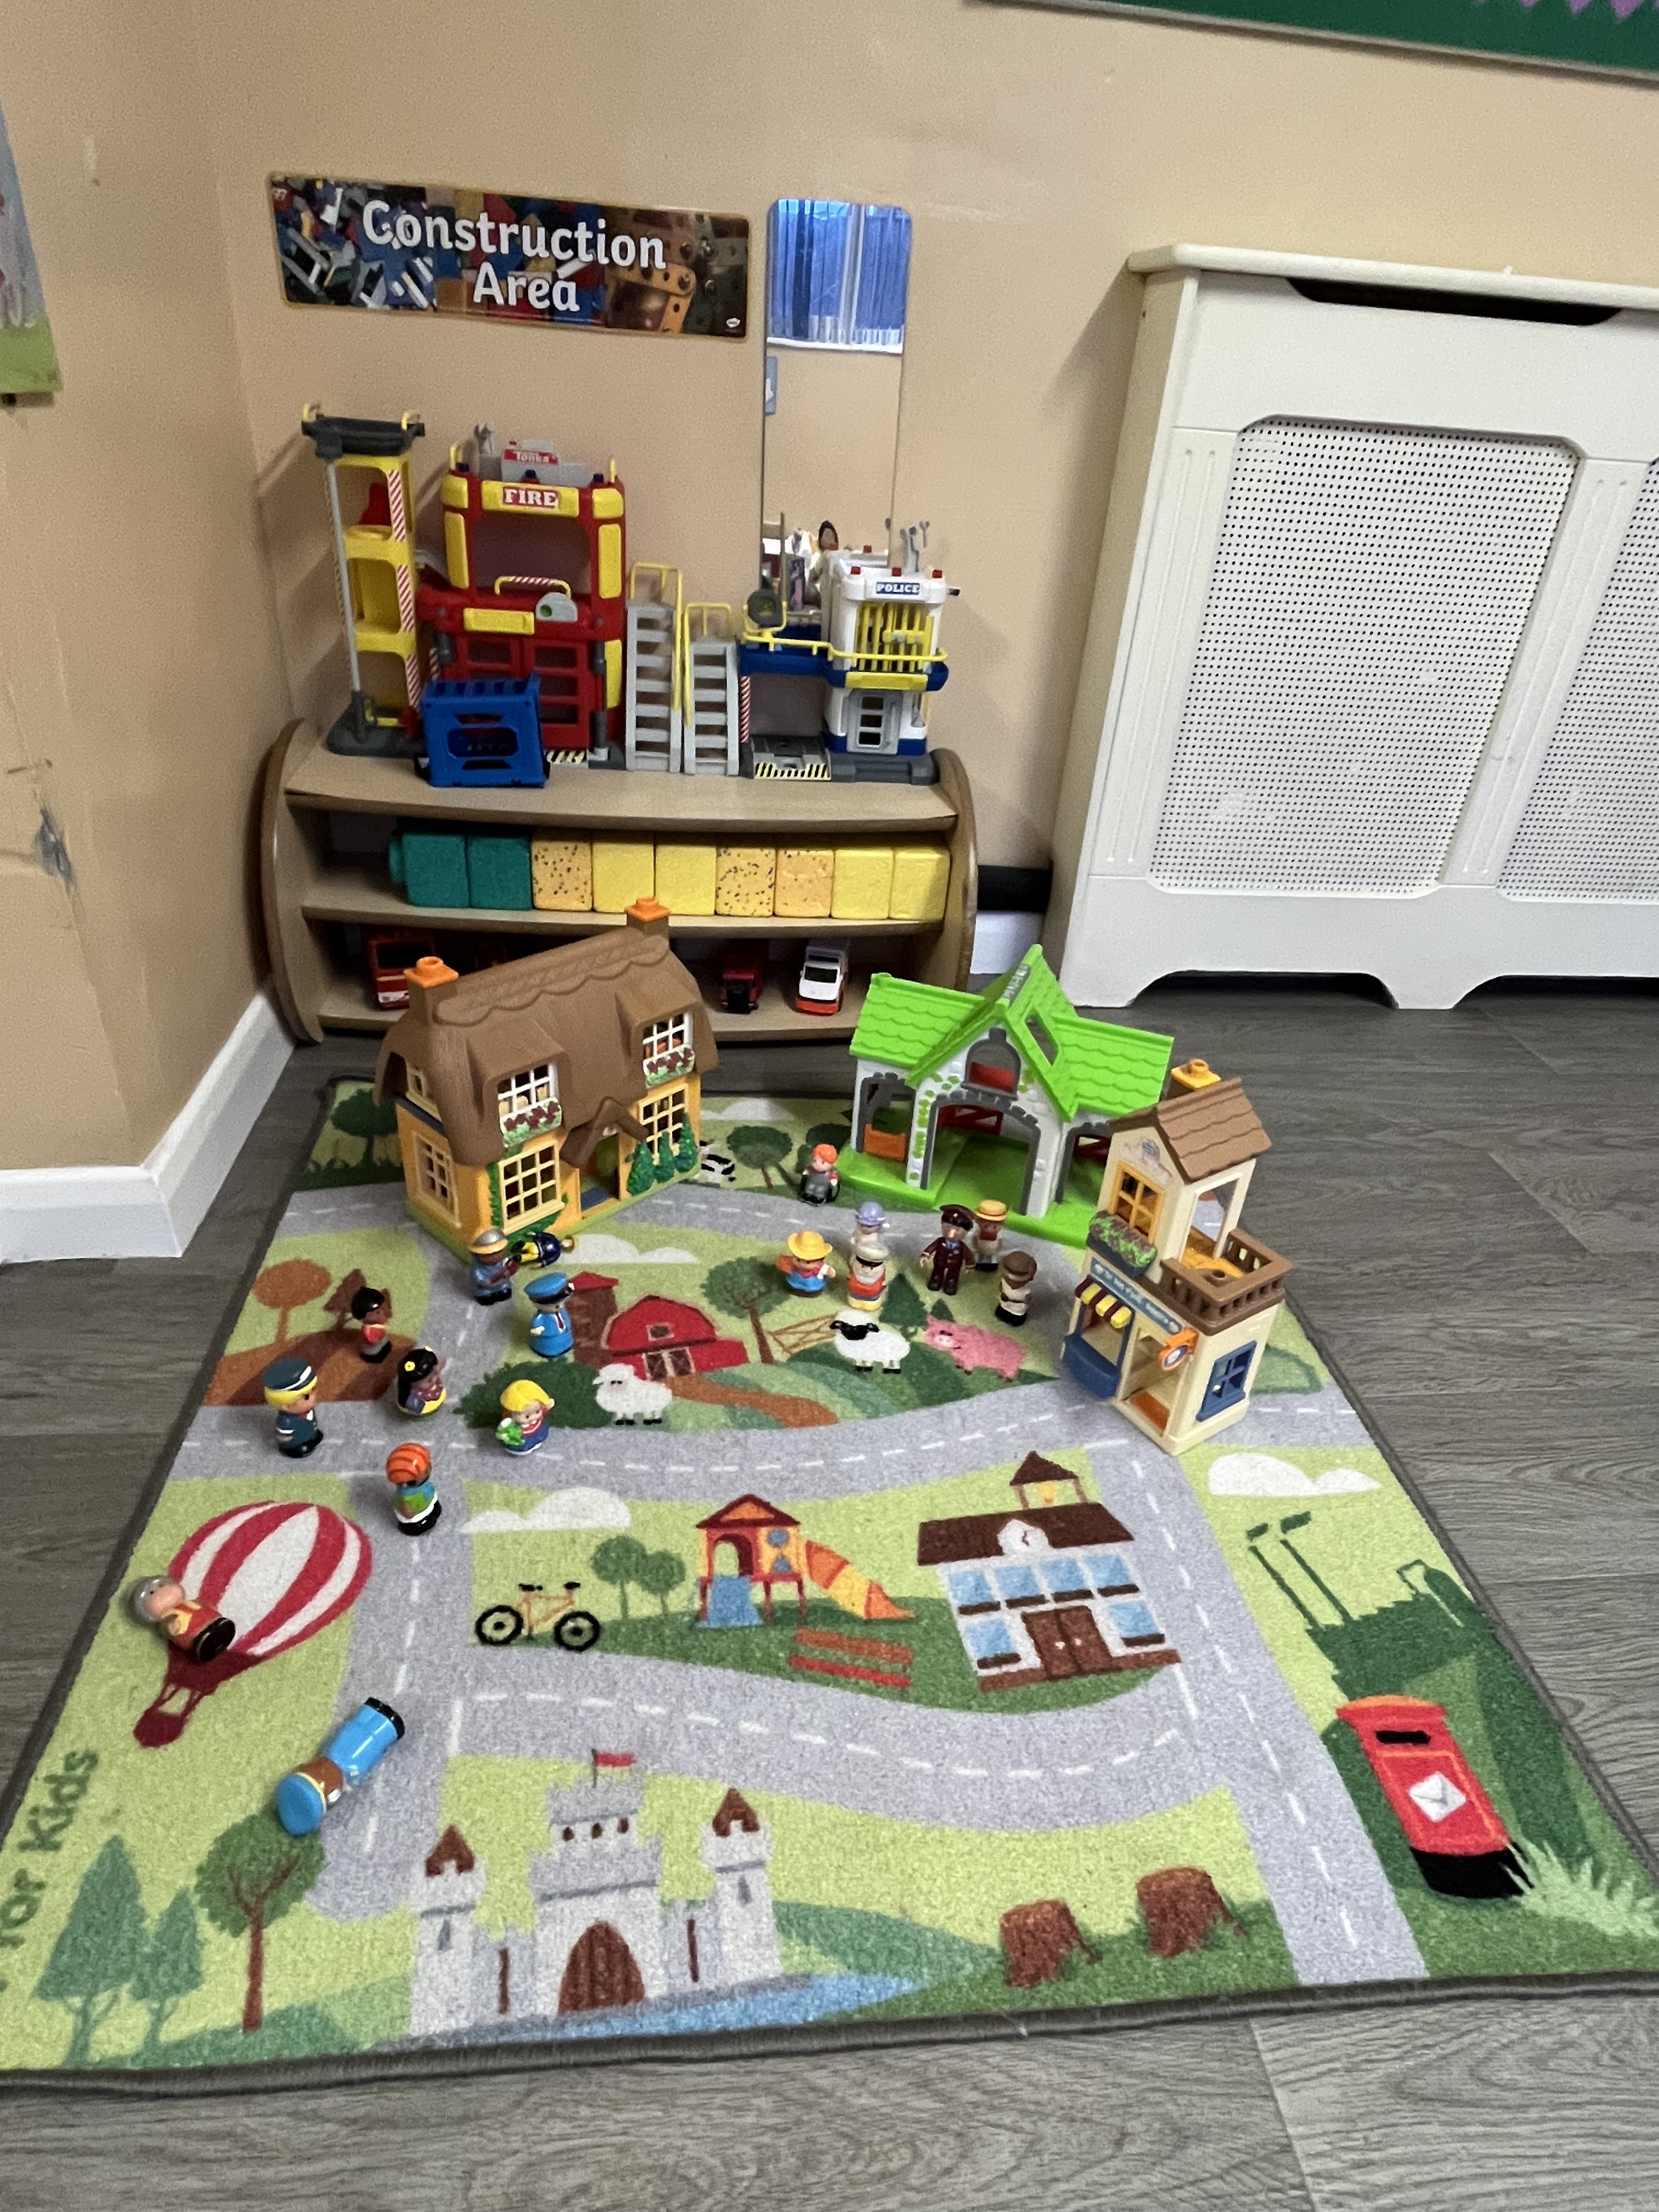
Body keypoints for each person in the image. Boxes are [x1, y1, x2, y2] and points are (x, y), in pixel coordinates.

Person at [263, 1356, 323, 1458]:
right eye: (307, 1397)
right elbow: (284, 1437)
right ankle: (295, 1447)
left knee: (312, 1433)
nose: (314, 1396)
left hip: (309, 1431)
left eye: (314, 1390)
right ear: (286, 1406)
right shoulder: (286, 1421)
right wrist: (287, 1441)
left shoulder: (307, 1410)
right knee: (299, 1447)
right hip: (296, 1442)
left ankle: (312, 1436)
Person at [921, 1205, 975, 1296]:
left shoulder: (962, 1247)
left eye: (957, 1230)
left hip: (955, 1265)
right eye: (947, 1227)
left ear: (966, 1232)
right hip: (939, 1262)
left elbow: (968, 1255)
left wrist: (970, 1265)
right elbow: (931, 1248)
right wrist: (925, 1255)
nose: (951, 1233)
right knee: (937, 1271)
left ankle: (951, 1283)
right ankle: (936, 1280)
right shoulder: (940, 1241)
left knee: (953, 1275)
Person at [996, 1249, 1038, 1327]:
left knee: (1014, 1312)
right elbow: (1028, 1300)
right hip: (1010, 1304)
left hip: (1012, 1305)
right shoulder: (1026, 1290)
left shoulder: (1026, 1290)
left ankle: (1011, 1316)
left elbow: (1027, 1300)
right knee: (1010, 1310)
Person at [805, 520, 839, 606]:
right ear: (820, 540)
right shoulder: (822, 556)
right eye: (827, 535)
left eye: (833, 536)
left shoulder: (835, 556)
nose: (830, 538)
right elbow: (813, 574)